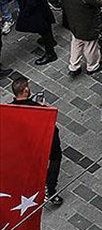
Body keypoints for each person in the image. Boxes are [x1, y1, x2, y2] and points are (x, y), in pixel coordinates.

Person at [10, 76, 64, 204]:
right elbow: (51, 118)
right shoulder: (37, 108)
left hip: (29, 143)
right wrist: (45, 106)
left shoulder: (11, 109)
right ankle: (50, 189)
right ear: (26, 90)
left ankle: (38, 184)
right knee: (55, 159)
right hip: (47, 140)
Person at [58, 0, 102, 75]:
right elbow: (101, 0)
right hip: (88, 24)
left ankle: (74, 65)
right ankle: (92, 66)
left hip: (73, 21)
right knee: (90, 46)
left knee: (76, 42)